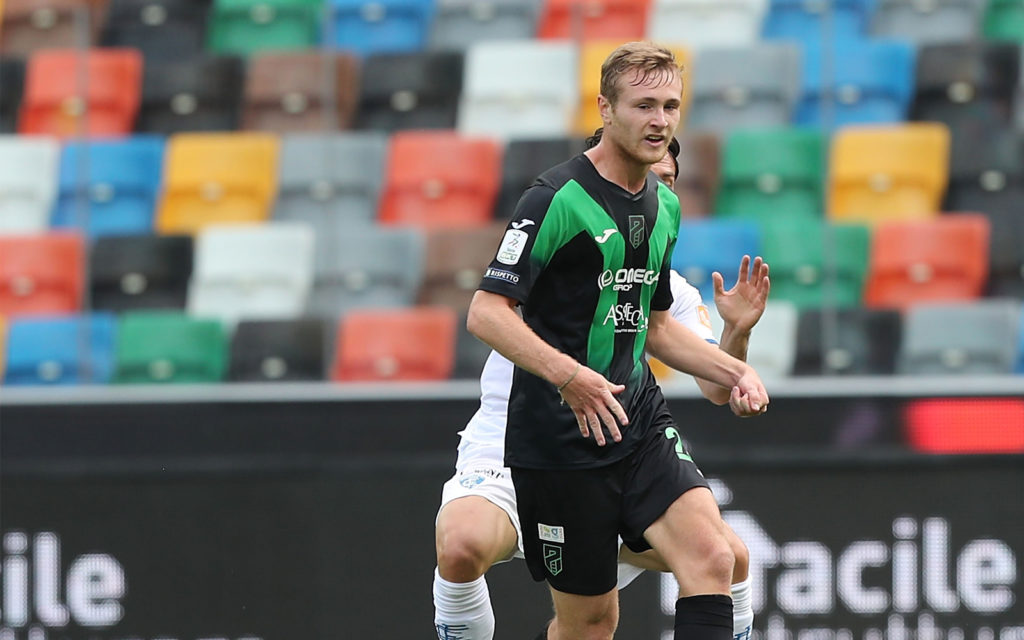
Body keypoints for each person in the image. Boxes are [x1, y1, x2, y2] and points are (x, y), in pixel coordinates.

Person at [465, 41, 769, 640]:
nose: (660, 121)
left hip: (639, 421)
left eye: (672, 105)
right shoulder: (553, 199)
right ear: (605, 108)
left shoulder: (664, 207)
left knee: (715, 558)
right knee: (591, 623)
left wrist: (736, 369)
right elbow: (485, 312)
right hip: (559, 439)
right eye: (644, 105)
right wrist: (569, 375)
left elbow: (655, 326)